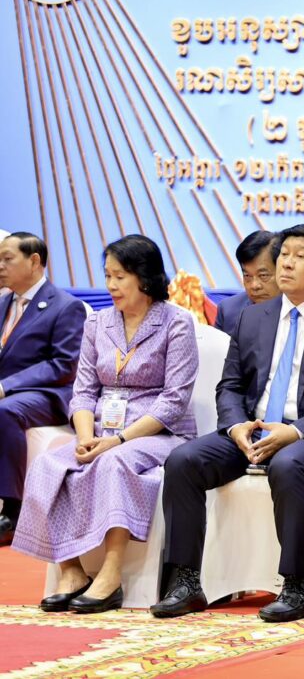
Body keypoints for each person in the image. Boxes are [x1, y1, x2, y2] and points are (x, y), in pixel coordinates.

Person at [152, 224, 304, 623]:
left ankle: (294, 587)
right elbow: (231, 385)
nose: (286, 263)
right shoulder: (252, 317)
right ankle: (185, 581)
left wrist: (294, 431)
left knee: (288, 464)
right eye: (284, 254)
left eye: (300, 256)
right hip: (253, 430)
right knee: (184, 461)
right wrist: (236, 426)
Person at [13, 235, 198, 613]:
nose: (111, 285)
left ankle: (111, 575)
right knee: (48, 464)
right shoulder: (97, 322)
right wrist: (85, 437)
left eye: (120, 277)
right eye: (107, 276)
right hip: (100, 430)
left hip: (160, 432)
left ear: (144, 278)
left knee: (113, 462)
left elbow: (174, 400)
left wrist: (118, 441)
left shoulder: (176, 322)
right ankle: (72, 571)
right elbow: (82, 391)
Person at [0, 233, 86, 546]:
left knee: (4, 411)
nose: (0, 266)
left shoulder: (66, 306)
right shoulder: (3, 303)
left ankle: (12, 512)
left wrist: (6, 386)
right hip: (8, 389)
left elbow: (62, 365)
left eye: (7, 259)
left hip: (49, 393)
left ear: (34, 261)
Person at [214, 231, 281, 336]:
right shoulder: (228, 311)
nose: (254, 286)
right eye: (247, 276)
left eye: (263, 275)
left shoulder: (300, 309)